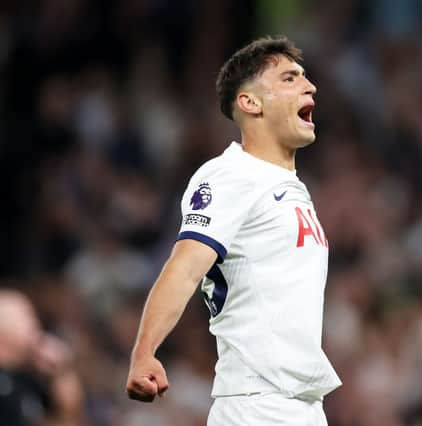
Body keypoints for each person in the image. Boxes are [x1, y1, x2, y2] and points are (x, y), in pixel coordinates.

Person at [126, 36, 342, 425]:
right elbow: (186, 267)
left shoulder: (289, 188)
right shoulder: (230, 175)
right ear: (250, 102)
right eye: (290, 79)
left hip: (301, 406)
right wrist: (145, 350)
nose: (310, 86)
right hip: (258, 404)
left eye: (306, 78)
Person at [0, 289, 83, 426]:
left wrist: (61, 370)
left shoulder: (26, 379)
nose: (35, 325)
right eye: (26, 317)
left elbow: (67, 416)